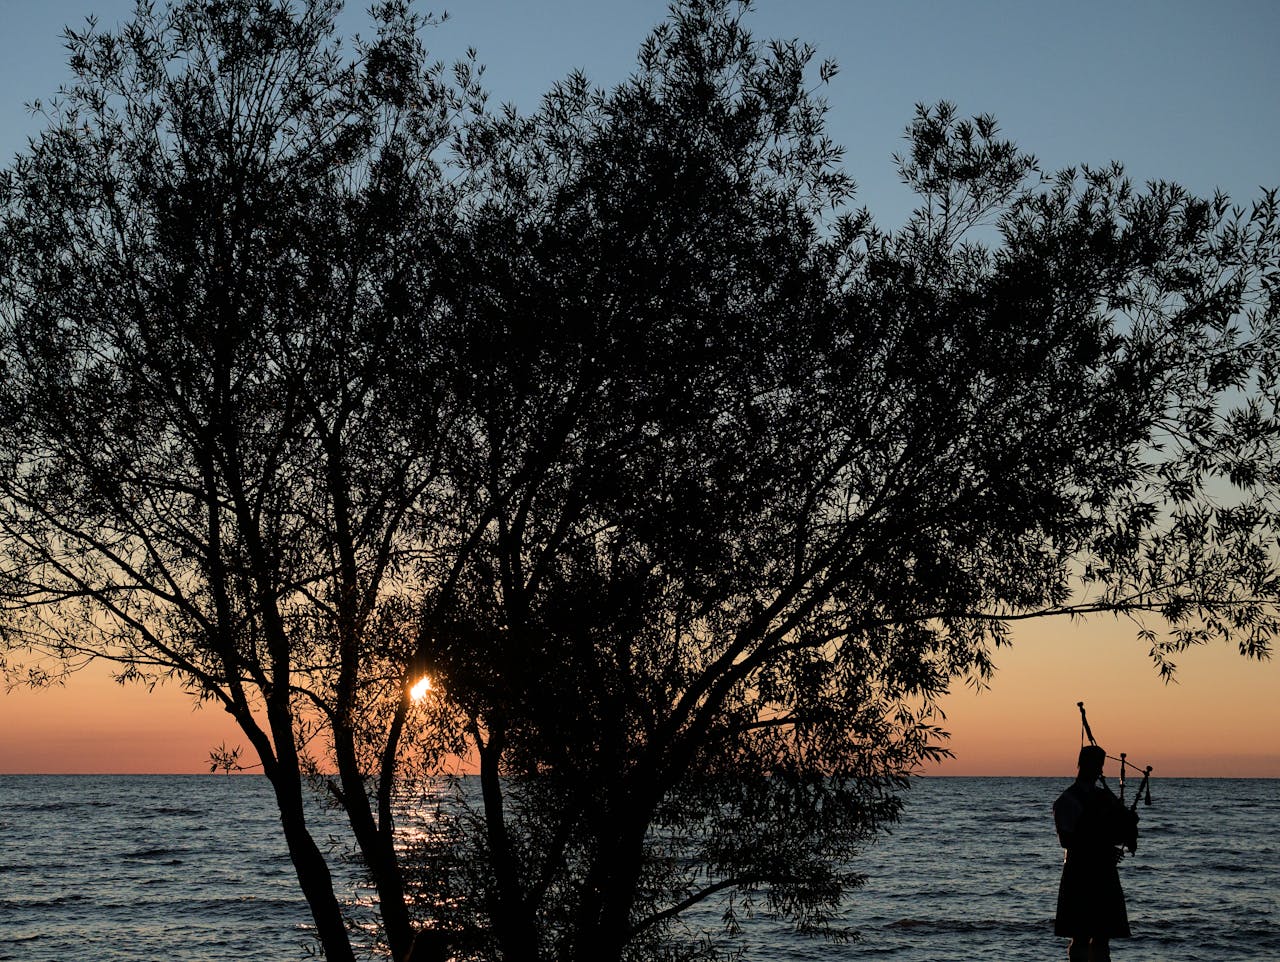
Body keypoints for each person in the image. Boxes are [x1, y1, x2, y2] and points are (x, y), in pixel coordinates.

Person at [1052, 744, 1138, 961]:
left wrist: (1128, 829)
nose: (1097, 769)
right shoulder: (1068, 800)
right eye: (1093, 764)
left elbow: (1115, 834)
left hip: (1103, 872)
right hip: (1079, 872)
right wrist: (1103, 845)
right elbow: (1067, 840)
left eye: (1099, 765)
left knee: (1102, 937)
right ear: (1081, 764)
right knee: (1080, 936)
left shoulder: (1105, 798)